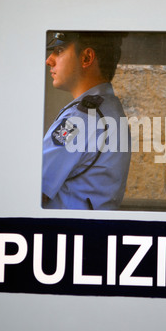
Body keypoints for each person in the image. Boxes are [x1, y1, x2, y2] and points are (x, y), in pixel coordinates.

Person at [42, 31, 131, 210]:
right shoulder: (109, 108)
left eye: (59, 51)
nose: (49, 60)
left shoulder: (80, 118)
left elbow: (34, 190)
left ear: (86, 58)